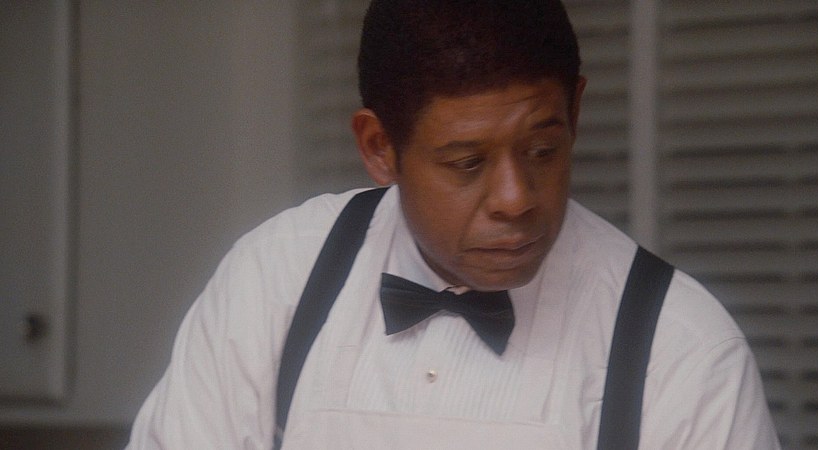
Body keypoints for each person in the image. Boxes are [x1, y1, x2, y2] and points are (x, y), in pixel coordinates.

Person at [127, 1, 779, 448]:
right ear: (379, 147)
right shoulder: (274, 284)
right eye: (467, 163)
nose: (515, 199)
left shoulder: (682, 351)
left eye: (542, 150)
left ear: (575, 113)